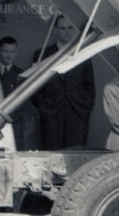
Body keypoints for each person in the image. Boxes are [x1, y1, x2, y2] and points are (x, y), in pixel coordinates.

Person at [34, 20, 96, 150]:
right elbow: (35, 88)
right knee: (52, 153)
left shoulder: (83, 53)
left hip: (77, 114)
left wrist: (84, 109)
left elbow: (89, 86)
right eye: (62, 28)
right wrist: (44, 106)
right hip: (51, 114)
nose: (66, 32)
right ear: (55, 30)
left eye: (69, 28)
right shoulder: (43, 54)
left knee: (75, 153)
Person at [0, 35, 40, 150]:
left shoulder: (23, 75)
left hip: (15, 123)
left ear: (17, 52)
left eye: (12, 51)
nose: (9, 55)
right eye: (5, 51)